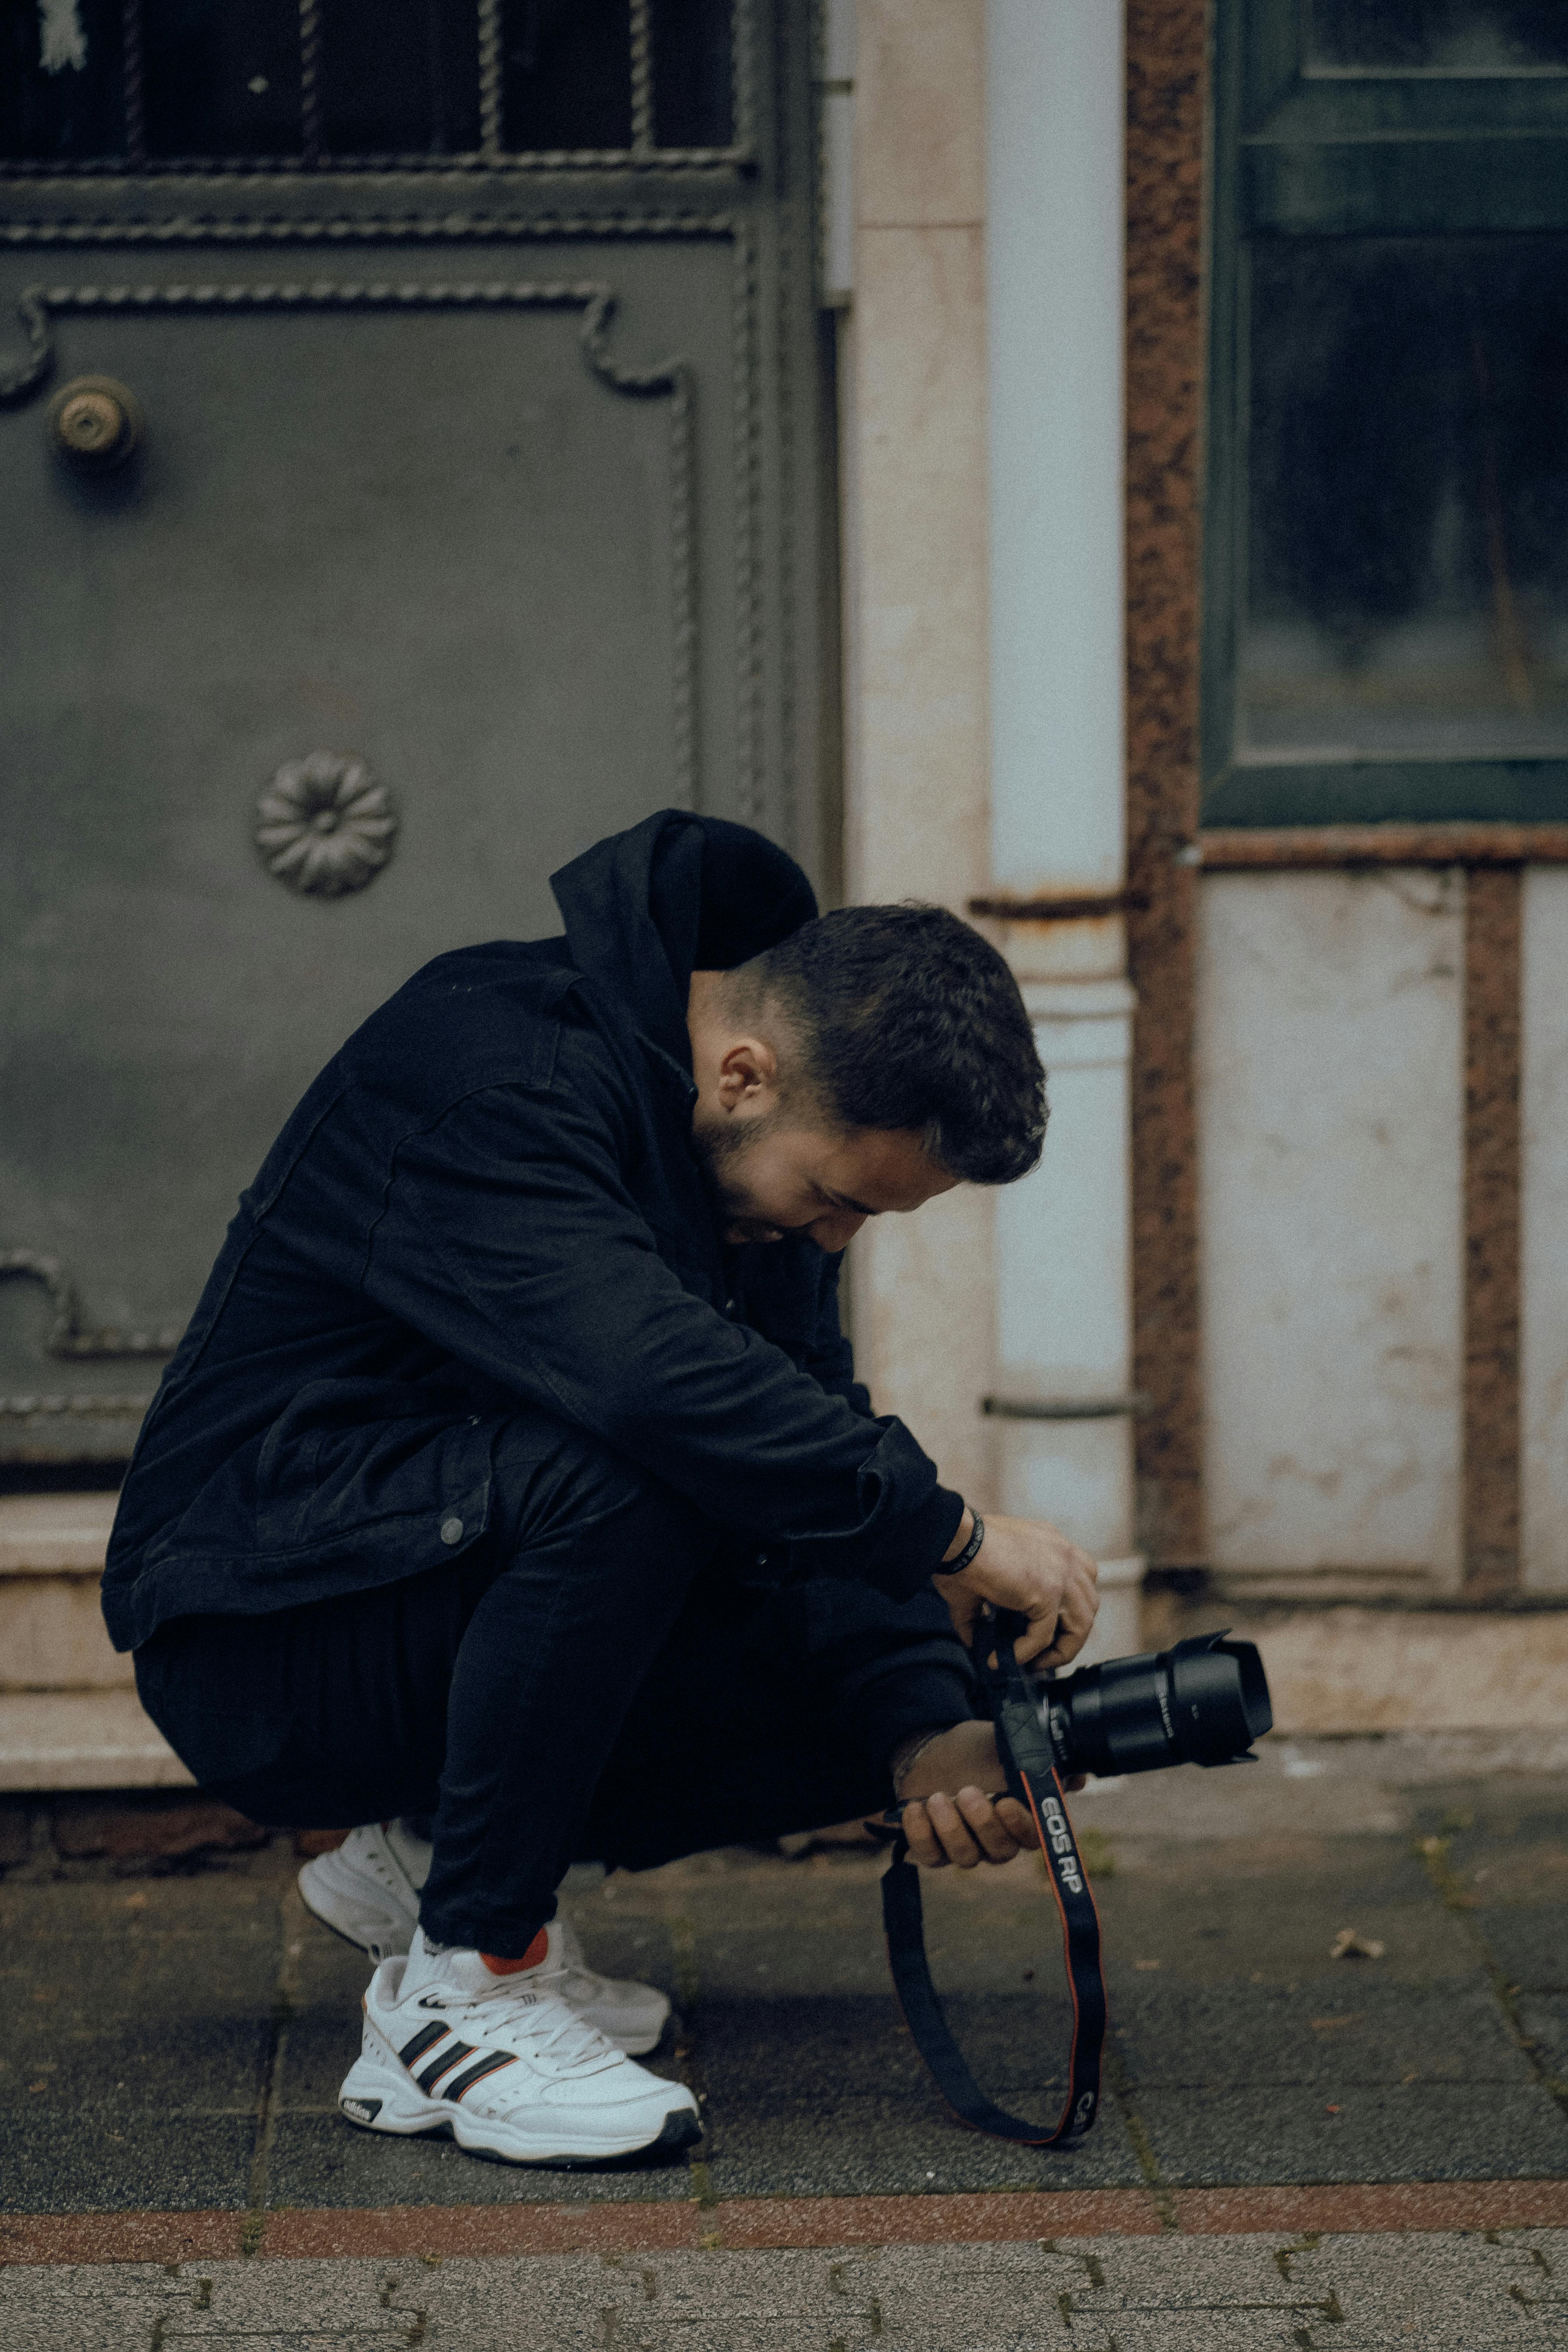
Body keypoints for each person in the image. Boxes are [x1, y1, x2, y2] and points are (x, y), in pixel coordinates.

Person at [104, 809, 1099, 2170]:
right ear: (745, 1073)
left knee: (842, 1605)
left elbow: (805, 1440)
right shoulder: (487, 1071)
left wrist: (927, 1723)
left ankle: (426, 1856)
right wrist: (962, 1534)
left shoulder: (743, 1168)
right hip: (259, 1633)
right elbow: (649, 1389)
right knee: (640, 1469)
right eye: (836, 1201)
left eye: (866, 1219)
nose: (834, 1238)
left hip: (433, 1577)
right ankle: (468, 1991)